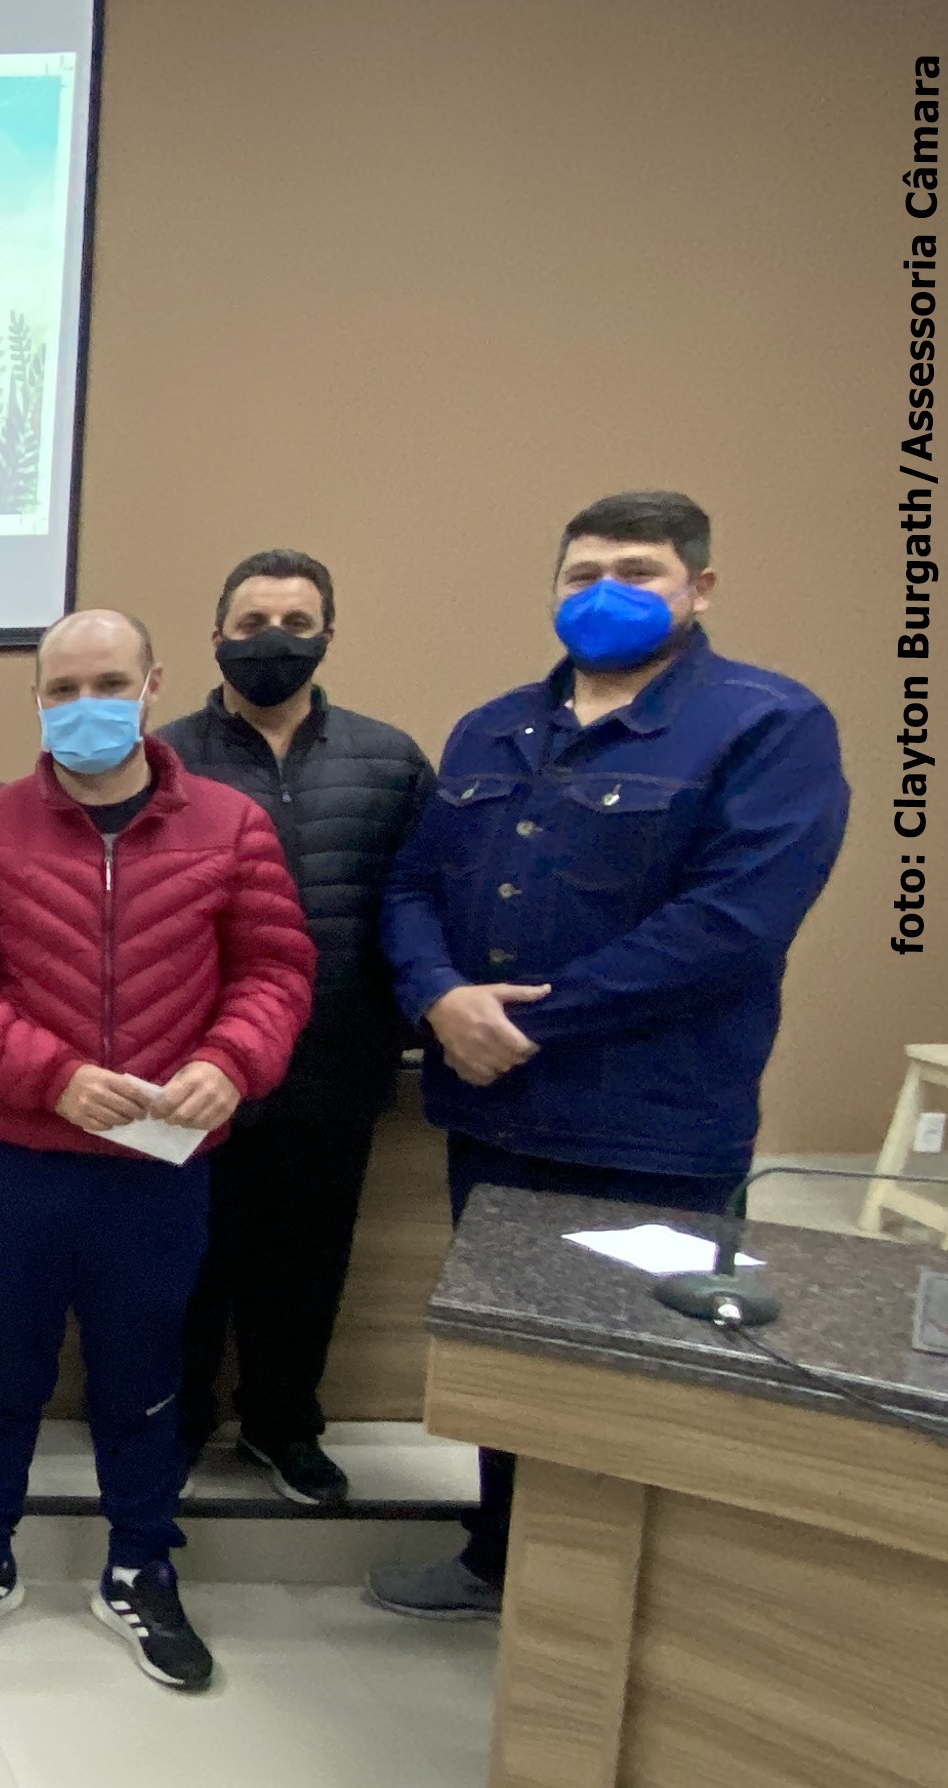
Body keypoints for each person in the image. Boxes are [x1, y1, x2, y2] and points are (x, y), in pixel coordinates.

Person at [366, 490, 848, 1621]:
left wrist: (529, 1018)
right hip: (493, 1112)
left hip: (651, 1123)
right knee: (511, 1357)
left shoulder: (766, 723)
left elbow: (732, 924)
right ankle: (498, 1560)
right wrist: (438, 995)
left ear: (701, 587)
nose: (604, 593)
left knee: (633, 1371)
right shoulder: (495, 729)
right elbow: (411, 886)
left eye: (637, 568)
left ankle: (609, 1616)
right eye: (581, 572)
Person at [0, 609, 314, 1691]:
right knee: (3, 1373)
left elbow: (276, 969)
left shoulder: (228, 825)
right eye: (63, 685)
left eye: (108, 680)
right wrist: (54, 1076)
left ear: (151, 684)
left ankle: (140, 1567)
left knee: (143, 1378)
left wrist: (233, 1060)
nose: (86, 702)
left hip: (159, 1165)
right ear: (38, 698)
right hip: (15, 1161)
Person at [153, 550, 433, 1506]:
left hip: (333, 1063)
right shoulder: (165, 758)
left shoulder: (389, 759)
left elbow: (419, 901)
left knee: (306, 1265)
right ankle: (180, 1422)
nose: (271, 640)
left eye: (294, 621)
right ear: (217, 636)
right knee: (189, 1262)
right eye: (250, 622)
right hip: (195, 1069)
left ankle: (281, 1425)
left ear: (326, 635)